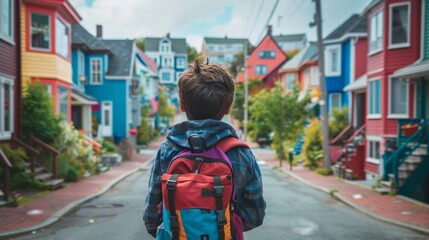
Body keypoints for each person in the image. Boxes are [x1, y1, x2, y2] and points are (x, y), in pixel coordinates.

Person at [143, 57, 266, 238]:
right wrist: (221, 224)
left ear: (182, 105)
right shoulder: (241, 153)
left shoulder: (167, 150)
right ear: (229, 107)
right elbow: (254, 216)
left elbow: (151, 219)